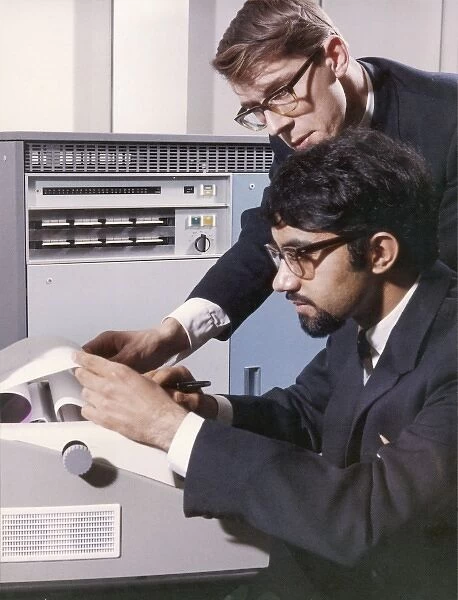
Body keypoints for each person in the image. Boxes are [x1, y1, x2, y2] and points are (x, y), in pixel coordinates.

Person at [75, 130, 457, 600]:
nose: (280, 281)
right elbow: (305, 413)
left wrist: (168, 428)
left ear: (379, 252)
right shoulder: (363, 312)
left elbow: (367, 517)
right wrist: (202, 409)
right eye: (279, 255)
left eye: (299, 255)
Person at [84, 0, 457, 373]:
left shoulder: (448, 117)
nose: (274, 126)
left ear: (335, 56)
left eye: (280, 92)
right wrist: (172, 334)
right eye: (256, 109)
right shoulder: (296, 125)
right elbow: (272, 231)